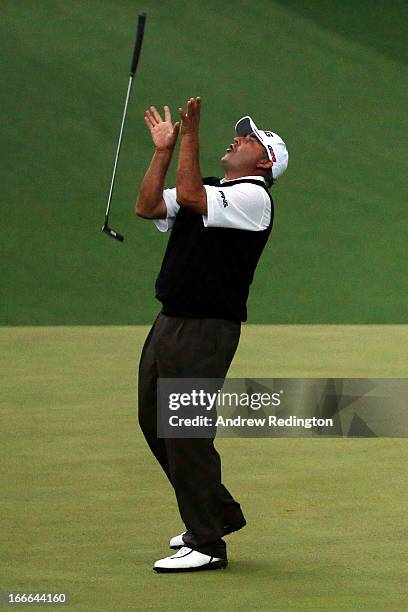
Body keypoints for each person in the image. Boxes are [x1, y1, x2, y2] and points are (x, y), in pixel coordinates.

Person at [136, 97, 288, 573]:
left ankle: (207, 543)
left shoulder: (253, 198)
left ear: (264, 162)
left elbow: (194, 198)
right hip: (170, 322)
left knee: (186, 432)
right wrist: (165, 149)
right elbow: (147, 206)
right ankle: (216, 512)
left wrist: (192, 133)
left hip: (206, 331)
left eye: (249, 139)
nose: (238, 138)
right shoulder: (206, 186)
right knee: (153, 422)